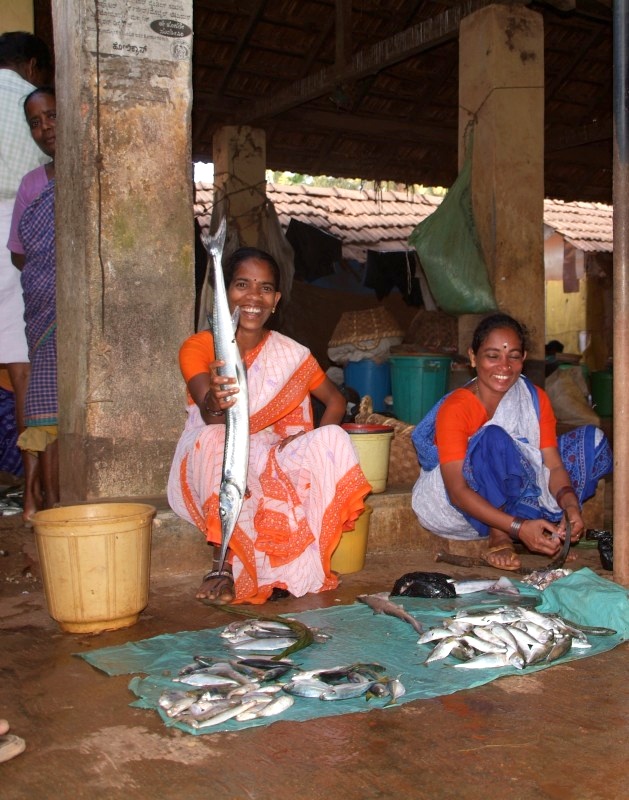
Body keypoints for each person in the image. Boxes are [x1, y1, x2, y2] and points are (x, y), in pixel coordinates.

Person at [167, 245, 371, 604]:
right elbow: (211, 414)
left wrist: (299, 445)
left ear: (276, 300)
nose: (253, 297)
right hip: (211, 448)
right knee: (217, 437)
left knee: (333, 439)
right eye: (242, 285)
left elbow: (336, 401)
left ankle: (303, 554)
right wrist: (217, 395)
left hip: (268, 453)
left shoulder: (291, 353)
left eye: (264, 289)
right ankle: (223, 564)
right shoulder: (199, 347)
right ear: (224, 293)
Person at [411, 313, 612, 571]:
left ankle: (542, 525)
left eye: (513, 356)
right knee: (493, 439)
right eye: (493, 356)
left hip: (520, 483)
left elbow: (552, 464)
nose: (504, 367)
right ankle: (501, 533)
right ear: (473, 358)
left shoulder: (534, 398)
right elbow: (457, 491)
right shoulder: (456, 408)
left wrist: (570, 506)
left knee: (592, 441)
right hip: (461, 502)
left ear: (523, 359)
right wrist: (518, 527)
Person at [0, 32, 52, 490]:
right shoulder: (36, 104)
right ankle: (34, 490)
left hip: (16, 233)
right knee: (24, 366)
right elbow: (19, 255)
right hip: (11, 228)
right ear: (32, 65)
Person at [7, 86, 57, 518]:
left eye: (52, 117)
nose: (45, 129)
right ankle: (36, 496)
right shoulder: (32, 185)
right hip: (44, 307)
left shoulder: (94, 173)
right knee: (44, 406)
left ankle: (50, 500)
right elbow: (20, 252)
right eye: (35, 124)